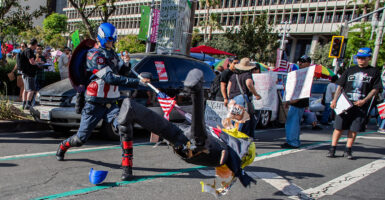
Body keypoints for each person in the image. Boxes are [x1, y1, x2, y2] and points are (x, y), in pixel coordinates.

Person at [117, 68, 256, 192]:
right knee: (129, 106)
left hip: (216, 151)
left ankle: (197, 91)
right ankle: (127, 169)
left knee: (199, 142)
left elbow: (241, 147)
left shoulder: (240, 144)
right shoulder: (229, 134)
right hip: (184, 139)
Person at [55, 23, 150, 161]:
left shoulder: (113, 54)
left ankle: (127, 167)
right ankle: (63, 146)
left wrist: (128, 65)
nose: (112, 42)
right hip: (94, 103)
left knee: (123, 128)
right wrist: (138, 83)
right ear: (103, 38)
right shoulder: (94, 55)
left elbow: (124, 72)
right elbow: (110, 78)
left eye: (113, 40)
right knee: (81, 138)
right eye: (110, 40)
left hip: (111, 102)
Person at [327, 47, 382, 159]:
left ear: (369, 58)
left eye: (363, 58)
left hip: (360, 105)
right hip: (345, 104)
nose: (360, 60)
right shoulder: (350, 70)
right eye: (358, 58)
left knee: (354, 128)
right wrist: (335, 100)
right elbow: (340, 86)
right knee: (338, 127)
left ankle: (348, 150)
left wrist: (365, 100)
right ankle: (332, 149)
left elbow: (375, 89)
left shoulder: (374, 72)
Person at [281, 55, 311, 149]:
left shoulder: (306, 74)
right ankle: (294, 141)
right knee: (293, 123)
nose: (300, 63)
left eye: (303, 61)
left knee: (292, 123)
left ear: (308, 63)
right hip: (297, 101)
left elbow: (303, 90)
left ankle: (293, 142)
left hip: (298, 102)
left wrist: (293, 101)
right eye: (299, 61)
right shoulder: (301, 73)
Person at [227, 58, 261, 138]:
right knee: (239, 120)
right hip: (240, 98)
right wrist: (256, 94)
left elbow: (229, 86)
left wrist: (229, 97)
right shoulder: (247, 75)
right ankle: (235, 138)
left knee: (232, 119)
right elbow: (249, 83)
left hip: (232, 99)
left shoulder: (234, 75)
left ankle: (229, 137)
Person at [19, 39, 39, 110]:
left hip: (24, 73)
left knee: (26, 89)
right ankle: (28, 104)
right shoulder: (29, 51)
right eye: (36, 45)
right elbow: (32, 62)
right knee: (31, 90)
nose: (37, 46)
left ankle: (24, 103)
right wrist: (38, 64)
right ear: (35, 44)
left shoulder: (25, 50)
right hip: (29, 73)